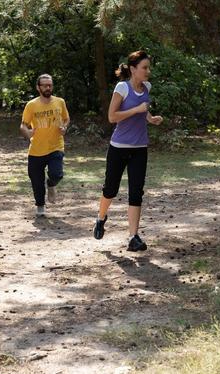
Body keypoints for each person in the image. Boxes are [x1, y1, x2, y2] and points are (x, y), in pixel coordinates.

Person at [92, 50, 163, 251]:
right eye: (144, 68)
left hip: (140, 148)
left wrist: (151, 118)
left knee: (136, 193)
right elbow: (112, 117)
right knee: (110, 189)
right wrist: (136, 111)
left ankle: (133, 237)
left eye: (148, 67)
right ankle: (100, 218)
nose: (148, 71)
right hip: (119, 148)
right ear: (133, 69)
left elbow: (143, 110)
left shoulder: (147, 87)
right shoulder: (122, 87)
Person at [20, 74, 70, 217]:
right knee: (36, 181)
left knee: (56, 174)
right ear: (38, 87)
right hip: (36, 149)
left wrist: (64, 128)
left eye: (50, 85)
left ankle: (52, 184)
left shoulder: (60, 102)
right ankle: (40, 206)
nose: (48, 88)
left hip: (56, 146)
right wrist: (28, 132)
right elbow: (23, 125)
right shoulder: (32, 105)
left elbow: (66, 119)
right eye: (45, 85)